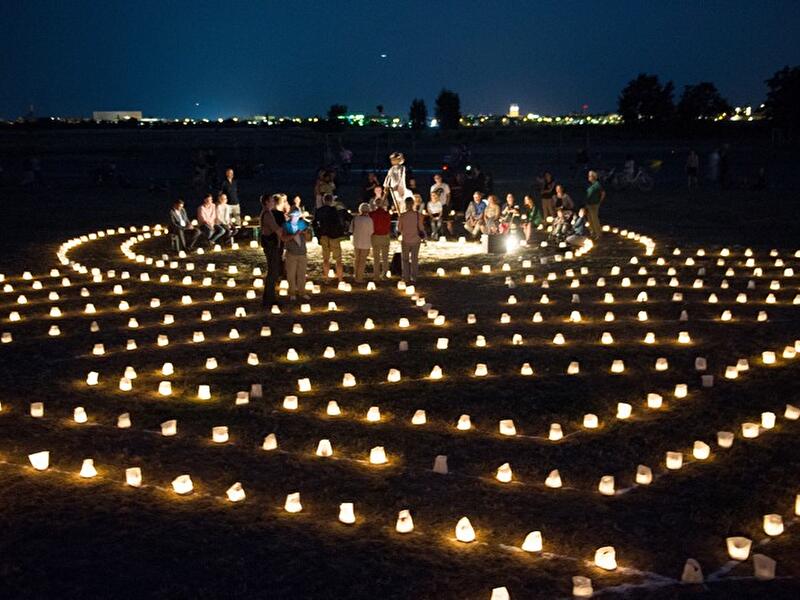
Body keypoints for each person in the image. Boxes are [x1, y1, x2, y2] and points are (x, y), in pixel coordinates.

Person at [313, 193, 346, 280]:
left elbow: (314, 224)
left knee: (326, 259)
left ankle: (326, 278)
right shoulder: (334, 210)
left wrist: (318, 235)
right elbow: (339, 222)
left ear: (324, 200)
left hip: (324, 235)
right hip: (334, 236)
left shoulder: (319, 211)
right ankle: (340, 278)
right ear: (331, 200)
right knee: (338, 259)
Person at [259, 194, 283, 307]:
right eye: (272, 201)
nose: (274, 202)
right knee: (273, 272)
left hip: (270, 245)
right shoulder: (268, 214)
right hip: (271, 246)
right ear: (267, 202)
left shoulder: (265, 213)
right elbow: (276, 229)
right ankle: (269, 298)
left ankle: (269, 296)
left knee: (273, 271)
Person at [282, 208, 310, 300]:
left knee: (302, 273)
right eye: (295, 215)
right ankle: (292, 293)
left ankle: (302, 292)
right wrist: (294, 234)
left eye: (298, 216)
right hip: (291, 253)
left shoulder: (302, 224)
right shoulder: (286, 225)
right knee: (291, 274)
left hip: (302, 252)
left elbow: (308, 237)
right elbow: (284, 238)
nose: (296, 217)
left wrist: (305, 233)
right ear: (291, 216)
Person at [397, 197, 424, 283]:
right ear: (413, 204)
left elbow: (399, 228)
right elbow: (421, 227)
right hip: (416, 239)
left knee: (405, 259)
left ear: (405, 204)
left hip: (406, 239)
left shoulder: (402, 215)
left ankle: (405, 277)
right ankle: (414, 277)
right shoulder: (418, 215)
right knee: (414, 259)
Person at [369, 196, 392, 279]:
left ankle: (376, 275)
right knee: (385, 257)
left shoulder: (372, 214)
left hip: (375, 236)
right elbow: (388, 225)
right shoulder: (386, 214)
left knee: (376, 257)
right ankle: (385, 274)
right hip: (385, 236)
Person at [352, 203, 374, 283]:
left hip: (356, 241)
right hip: (365, 242)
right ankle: (359, 278)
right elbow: (371, 231)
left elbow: (352, 229)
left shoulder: (356, 219)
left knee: (357, 259)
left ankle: (356, 275)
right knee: (362, 260)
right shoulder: (369, 220)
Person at [585, 170, 606, 239]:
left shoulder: (597, 184)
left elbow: (603, 193)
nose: (588, 177)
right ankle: (592, 232)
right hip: (588, 204)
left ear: (593, 177)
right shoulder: (590, 185)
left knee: (594, 219)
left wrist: (599, 202)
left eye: (590, 176)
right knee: (590, 219)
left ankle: (598, 233)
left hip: (594, 204)